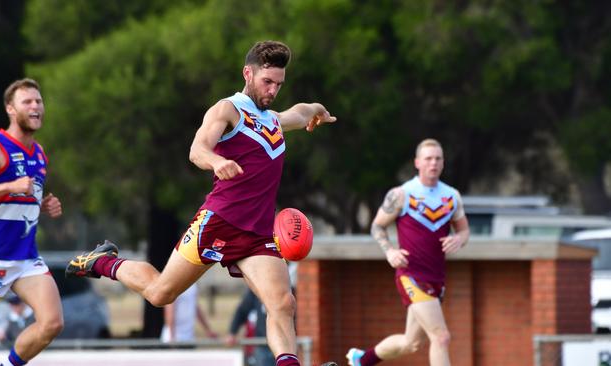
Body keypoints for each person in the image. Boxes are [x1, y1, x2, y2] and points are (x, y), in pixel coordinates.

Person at [66, 40, 337, 366]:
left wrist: (318, 111)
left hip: (259, 232)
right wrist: (214, 161)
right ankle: (102, 262)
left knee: (282, 303)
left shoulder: (274, 121)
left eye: (279, 84)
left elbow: (303, 110)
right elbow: (197, 149)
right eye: (267, 82)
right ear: (247, 73)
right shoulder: (227, 110)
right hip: (219, 222)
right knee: (160, 294)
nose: (273, 90)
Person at [0, 78, 64, 366]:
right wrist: (8, 187)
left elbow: (23, 198)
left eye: (39, 101)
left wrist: (43, 206)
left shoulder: (39, 152)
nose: (35, 107)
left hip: (26, 257)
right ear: (10, 109)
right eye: (27, 102)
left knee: (52, 323)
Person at [346, 138, 470, 366]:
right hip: (411, 275)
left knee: (411, 343)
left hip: (437, 278)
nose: (433, 163)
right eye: (428, 159)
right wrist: (390, 251)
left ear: (443, 163)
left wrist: (458, 239)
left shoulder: (452, 196)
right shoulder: (402, 194)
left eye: (438, 158)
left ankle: (361, 359)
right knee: (441, 337)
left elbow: (464, 231)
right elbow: (377, 225)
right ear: (417, 163)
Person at [225, 288, 273, 366]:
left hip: (285, 345)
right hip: (262, 344)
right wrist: (232, 332)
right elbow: (242, 311)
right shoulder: (257, 288)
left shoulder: (288, 288)